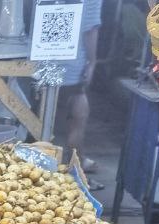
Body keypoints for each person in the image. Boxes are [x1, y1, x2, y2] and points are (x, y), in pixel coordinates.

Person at [59, 0, 102, 185]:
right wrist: (92, 62)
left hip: (34, 62)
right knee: (77, 117)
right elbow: (90, 27)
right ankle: (73, 174)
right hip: (70, 63)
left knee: (46, 120)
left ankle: (65, 166)